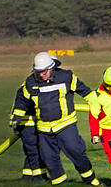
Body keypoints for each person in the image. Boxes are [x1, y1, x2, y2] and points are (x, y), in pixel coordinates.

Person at [12, 52, 101, 186]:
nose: (41, 75)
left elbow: (86, 92)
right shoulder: (30, 82)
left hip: (66, 125)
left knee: (75, 150)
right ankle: (60, 182)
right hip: (44, 129)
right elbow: (22, 100)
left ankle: (90, 179)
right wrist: (17, 116)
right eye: (38, 72)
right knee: (49, 158)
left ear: (51, 68)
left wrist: (95, 106)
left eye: (44, 72)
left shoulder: (66, 77)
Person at [10, 83, 46, 182]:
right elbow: (19, 107)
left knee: (34, 152)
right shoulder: (29, 87)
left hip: (34, 124)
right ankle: (39, 177)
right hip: (28, 124)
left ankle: (28, 177)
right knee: (34, 151)